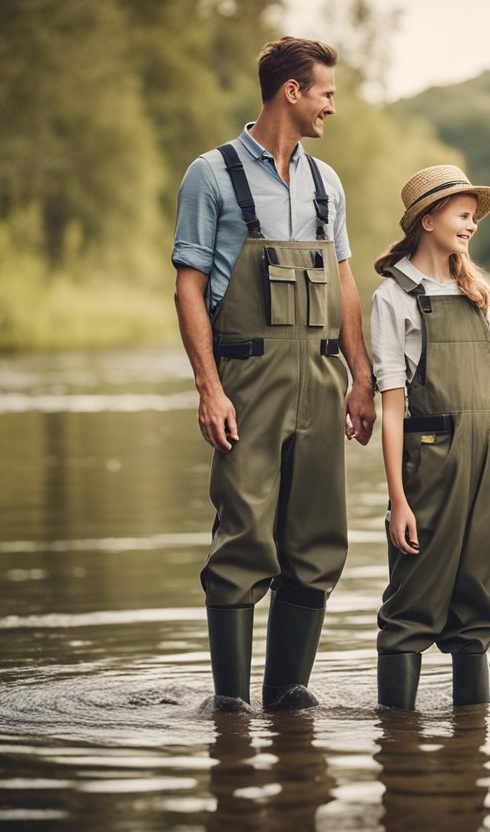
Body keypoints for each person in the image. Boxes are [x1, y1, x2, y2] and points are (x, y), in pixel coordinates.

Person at [172, 37, 376, 709]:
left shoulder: (327, 183)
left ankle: (289, 695)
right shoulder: (211, 174)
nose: (332, 107)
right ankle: (230, 705)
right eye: (326, 93)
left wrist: (361, 376)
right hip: (247, 380)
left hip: (321, 379)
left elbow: (345, 286)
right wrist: (209, 388)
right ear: (292, 91)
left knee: (316, 540)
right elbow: (189, 287)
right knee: (243, 536)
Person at [370, 165, 490, 710]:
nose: (471, 226)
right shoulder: (393, 297)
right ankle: (396, 732)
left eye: (474, 217)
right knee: (412, 603)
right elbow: (392, 410)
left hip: (485, 465)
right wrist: (399, 501)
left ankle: (470, 740)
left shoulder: (481, 295)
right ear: (427, 220)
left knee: (475, 607)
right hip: (427, 468)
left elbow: (489, 401)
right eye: (462, 215)